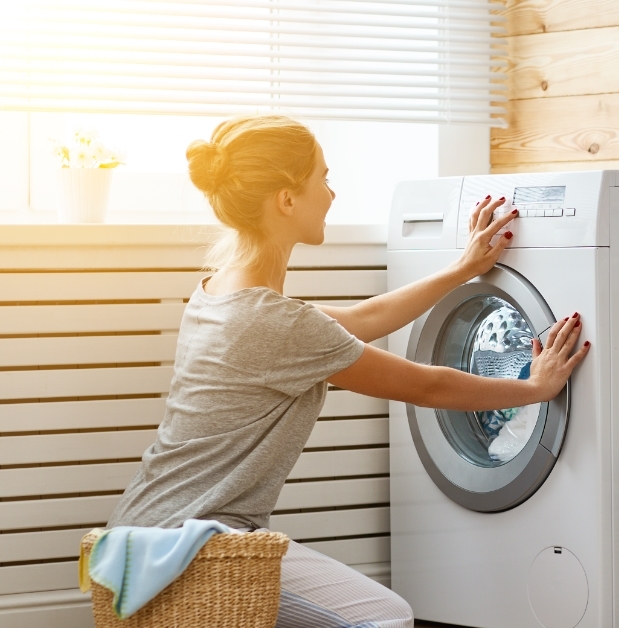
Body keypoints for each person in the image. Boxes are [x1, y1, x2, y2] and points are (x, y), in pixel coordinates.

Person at [106, 115, 590, 628]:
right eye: (324, 179)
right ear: (287, 199)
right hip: (200, 547)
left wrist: (462, 269)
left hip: (143, 529)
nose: (332, 195)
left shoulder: (221, 293)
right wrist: (534, 387)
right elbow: (426, 384)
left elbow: (362, 321)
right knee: (384, 618)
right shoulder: (274, 321)